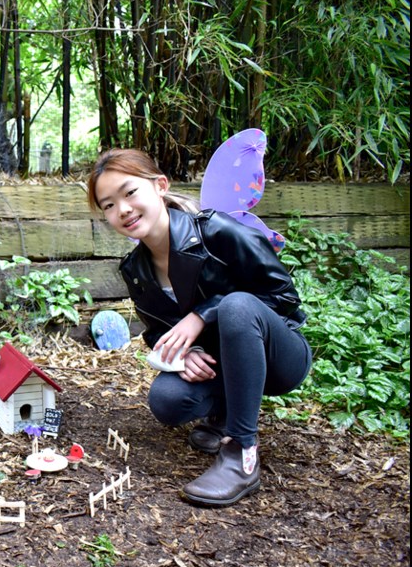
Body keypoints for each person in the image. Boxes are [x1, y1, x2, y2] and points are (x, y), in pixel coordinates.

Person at [87, 149, 312, 507]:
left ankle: (241, 453)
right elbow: (156, 332)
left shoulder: (216, 231)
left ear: (160, 186)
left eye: (130, 193)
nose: (123, 210)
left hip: (278, 358)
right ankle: (223, 415)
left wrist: (204, 314)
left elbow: (284, 298)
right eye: (109, 205)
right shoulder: (135, 270)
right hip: (221, 364)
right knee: (167, 399)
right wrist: (186, 354)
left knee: (237, 305)